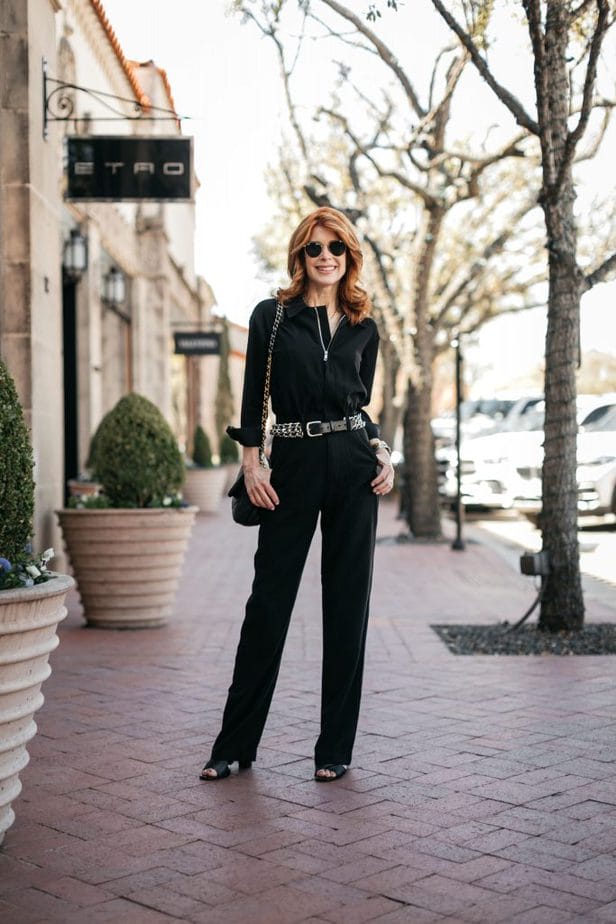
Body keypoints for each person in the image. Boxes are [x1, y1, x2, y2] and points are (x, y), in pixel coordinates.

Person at [201, 206, 394, 783]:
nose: (326, 257)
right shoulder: (273, 317)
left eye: (337, 247)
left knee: (347, 606)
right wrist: (252, 463)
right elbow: (250, 402)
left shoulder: (364, 325)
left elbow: (361, 404)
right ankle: (233, 745)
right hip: (292, 464)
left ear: (349, 256)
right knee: (268, 604)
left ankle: (334, 749)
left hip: (357, 467)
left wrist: (382, 451)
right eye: (315, 248)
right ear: (300, 256)